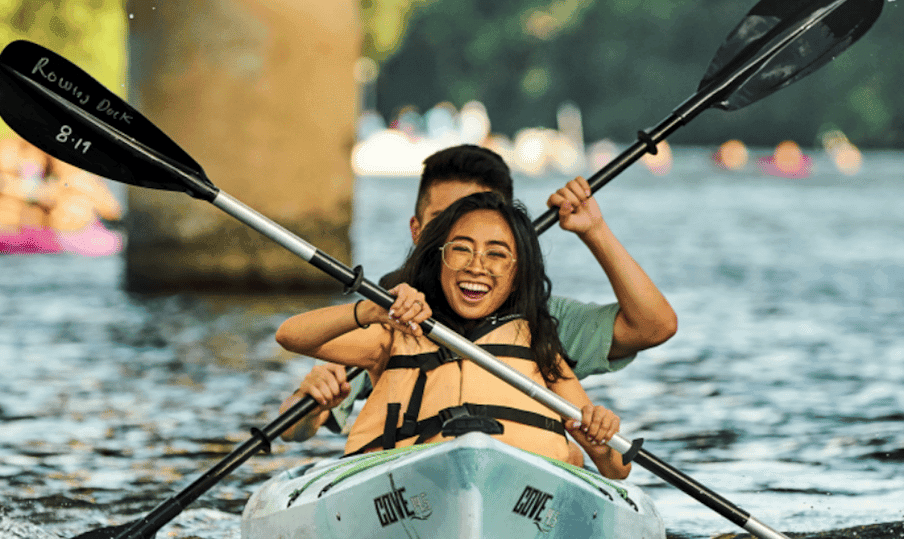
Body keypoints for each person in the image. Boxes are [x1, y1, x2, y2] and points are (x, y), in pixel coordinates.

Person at [278, 144, 677, 447]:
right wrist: (313, 401)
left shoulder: (542, 322)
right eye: (447, 226)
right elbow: (295, 426)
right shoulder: (390, 316)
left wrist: (595, 231)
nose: (469, 247)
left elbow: (654, 326)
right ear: (419, 232)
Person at [276, 192, 631, 478]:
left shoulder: (539, 344)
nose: (477, 265)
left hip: (519, 491)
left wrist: (600, 443)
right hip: (404, 486)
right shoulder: (395, 333)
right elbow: (291, 335)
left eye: (496, 254)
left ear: (517, 272)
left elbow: (617, 468)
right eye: (461, 249)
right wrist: (369, 311)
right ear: (438, 259)